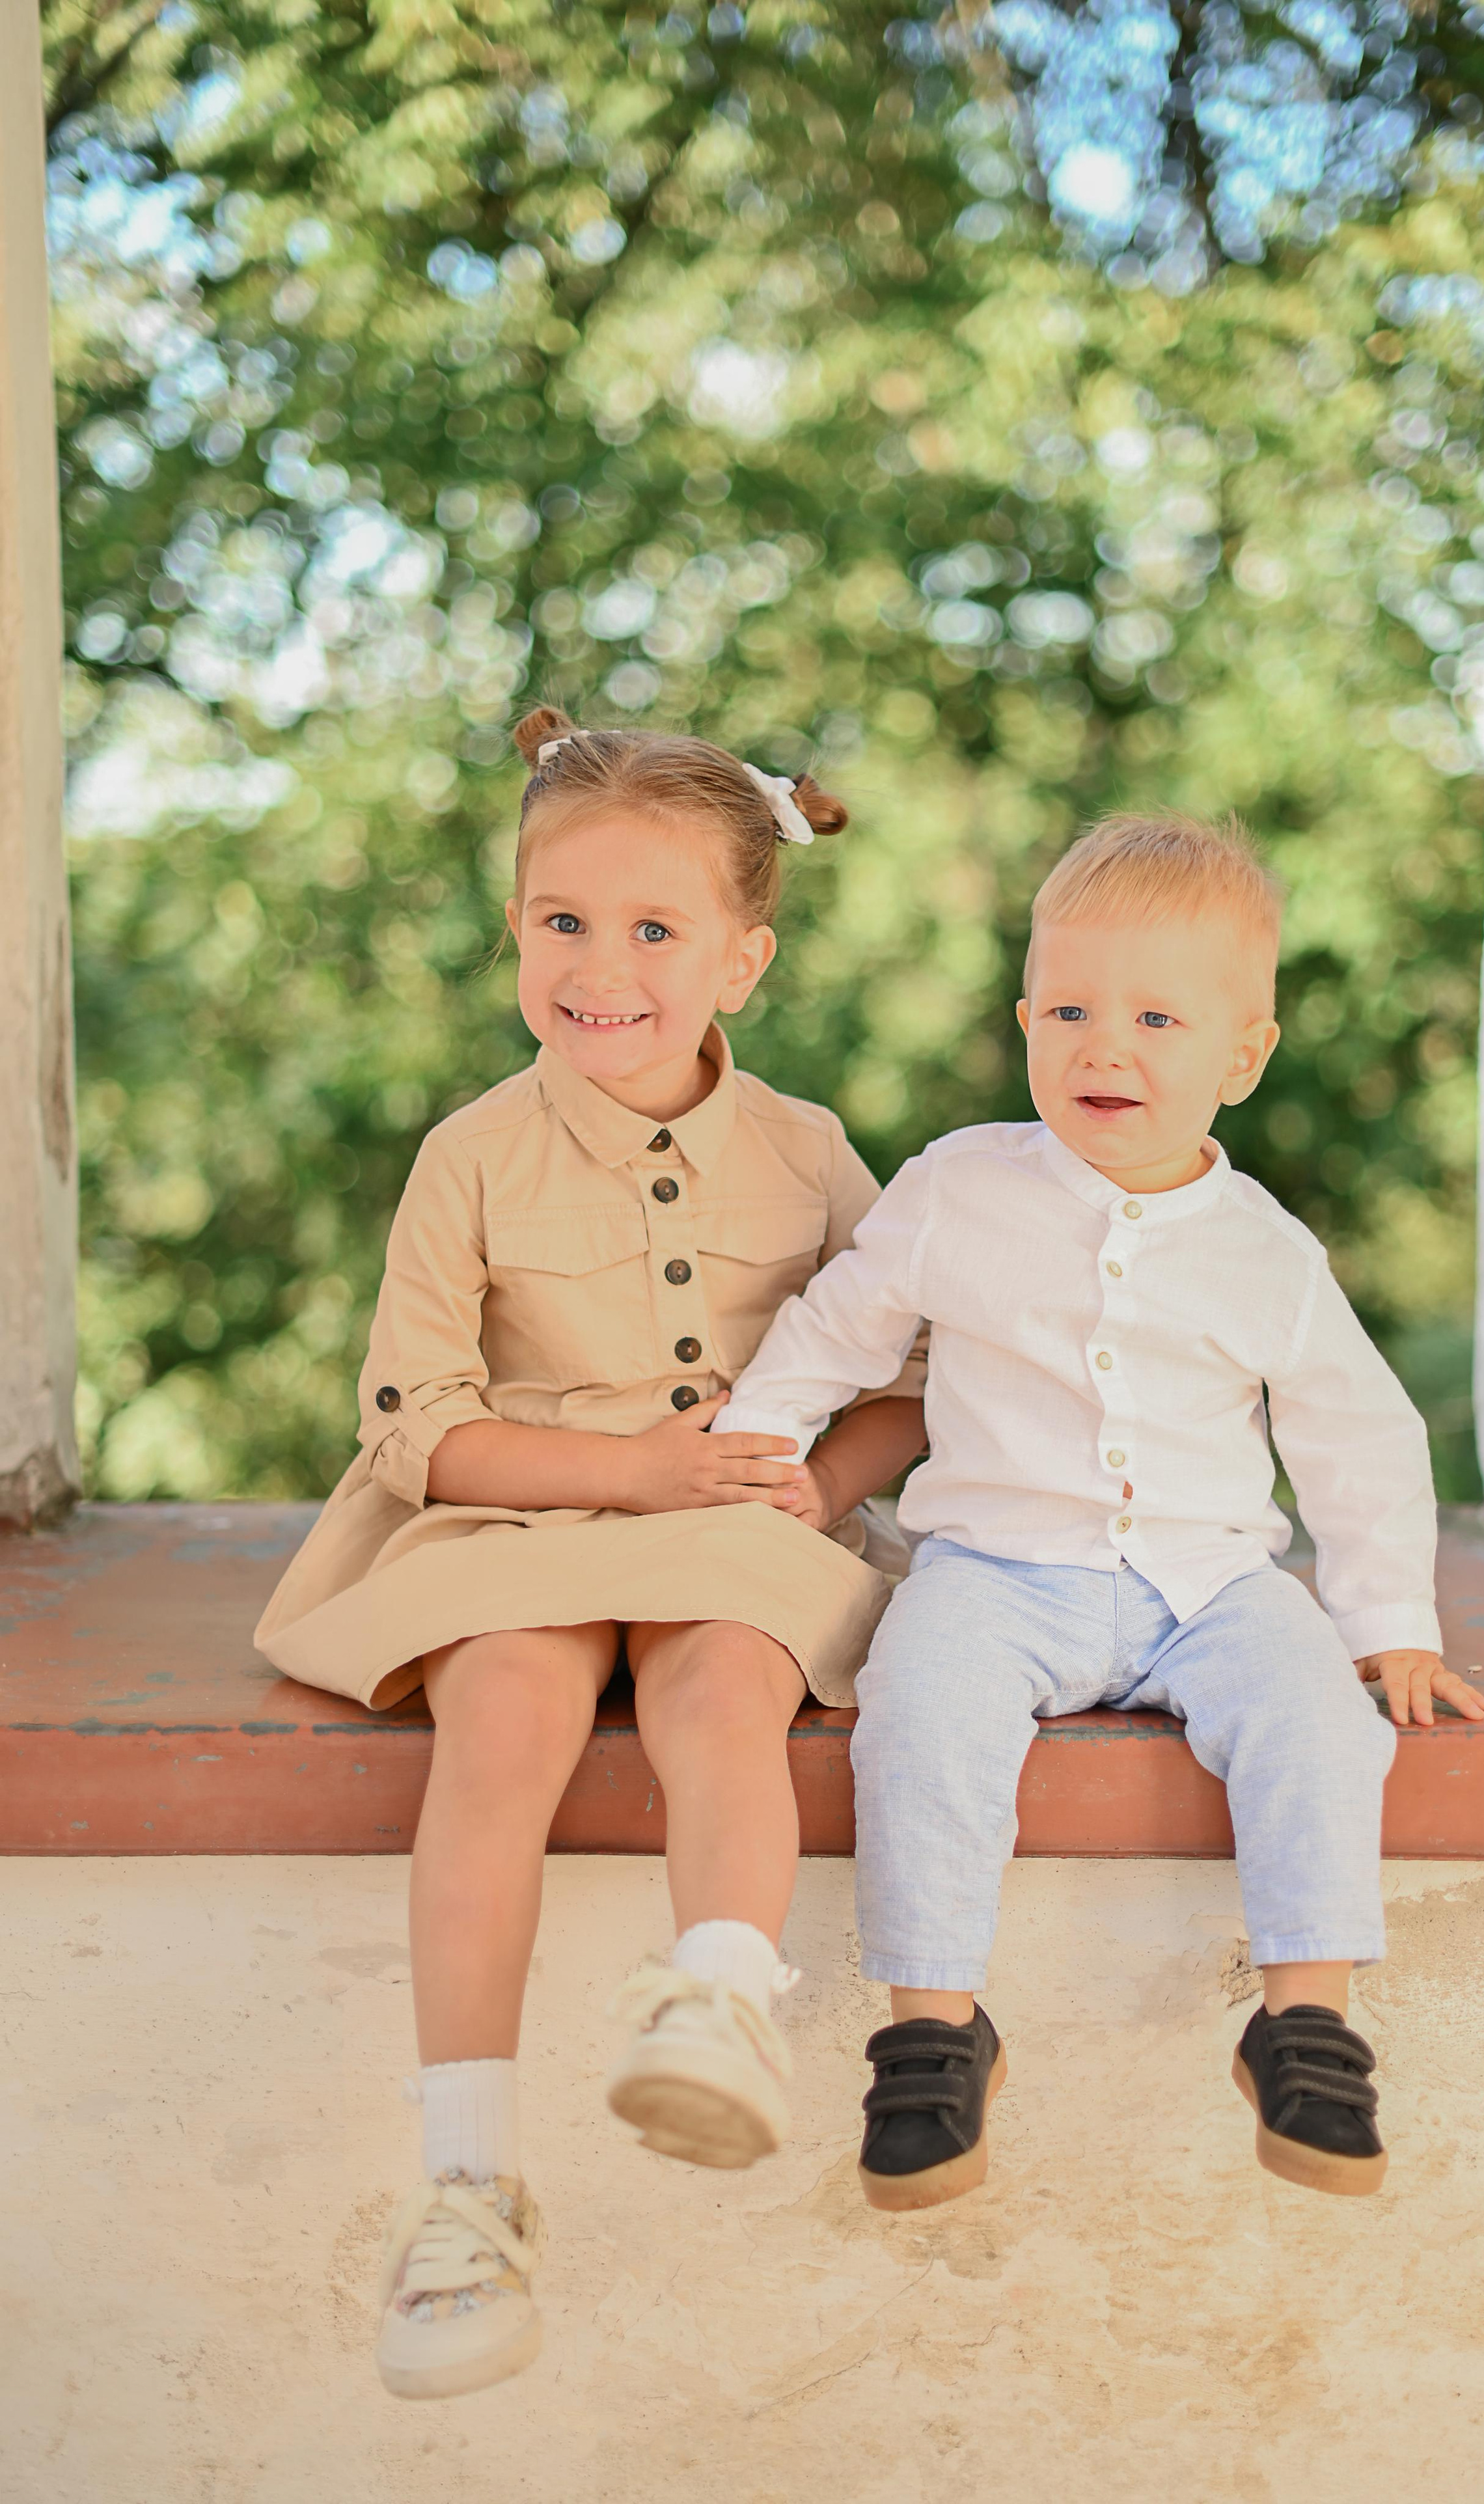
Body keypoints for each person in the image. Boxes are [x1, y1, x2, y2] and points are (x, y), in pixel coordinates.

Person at [254, 708, 925, 2398]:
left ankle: (719, 2001)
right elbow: (417, 1427)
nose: (600, 966)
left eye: (652, 931)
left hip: (735, 1527)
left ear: (742, 961)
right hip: (528, 1510)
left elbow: (918, 1373)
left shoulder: (806, 1150)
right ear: (515, 928)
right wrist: (616, 1475)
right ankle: (467, 2186)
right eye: (563, 922)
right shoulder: (470, 1156)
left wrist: (817, 1482)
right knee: (500, 1731)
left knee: (723, 1695)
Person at [722, 811, 1484, 2214]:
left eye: (1153, 1017)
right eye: (1067, 1009)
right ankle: (932, 2034)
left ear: (1239, 1056)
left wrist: (1387, 1622)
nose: (1104, 1047)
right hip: (996, 1569)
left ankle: (1303, 2022)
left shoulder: (1263, 1248)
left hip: (1209, 1582)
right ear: (1024, 1019)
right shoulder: (961, 1186)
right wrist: (760, 1433)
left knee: (1317, 1717)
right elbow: (840, 1319)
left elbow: (1353, 1430)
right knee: (920, 1713)